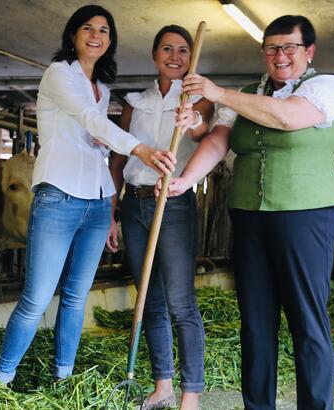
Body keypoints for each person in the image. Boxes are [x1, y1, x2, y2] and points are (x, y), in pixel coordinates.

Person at [0, 5, 193, 384]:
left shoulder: (101, 88)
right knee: (37, 298)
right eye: (88, 27)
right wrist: (140, 149)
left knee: (76, 296)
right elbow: (90, 119)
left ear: (110, 41)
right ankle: (1, 380)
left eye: (104, 30)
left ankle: (63, 378)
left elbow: (92, 135)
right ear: (73, 34)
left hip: (98, 201)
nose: (96, 35)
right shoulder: (59, 74)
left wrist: (104, 152)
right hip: (58, 197)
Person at [166, 15, 334, 410]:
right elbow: (218, 140)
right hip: (248, 215)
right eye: (271, 48)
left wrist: (217, 93)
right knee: (256, 323)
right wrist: (185, 179)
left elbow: (288, 117)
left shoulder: (326, 87)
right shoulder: (248, 92)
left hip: (306, 215)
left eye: (289, 48)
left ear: (308, 51)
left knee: (307, 323)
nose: (279, 56)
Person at [109, 25, 213, 410]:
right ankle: (163, 386)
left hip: (174, 204)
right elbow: (118, 158)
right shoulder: (134, 102)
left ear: (190, 58)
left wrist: (191, 120)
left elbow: (203, 133)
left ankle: (191, 396)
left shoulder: (197, 99)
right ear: (154, 55)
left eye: (183, 50)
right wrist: (112, 212)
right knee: (149, 300)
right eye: (167, 48)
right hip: (135, 204)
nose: (175, 56)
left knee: (180, 301)